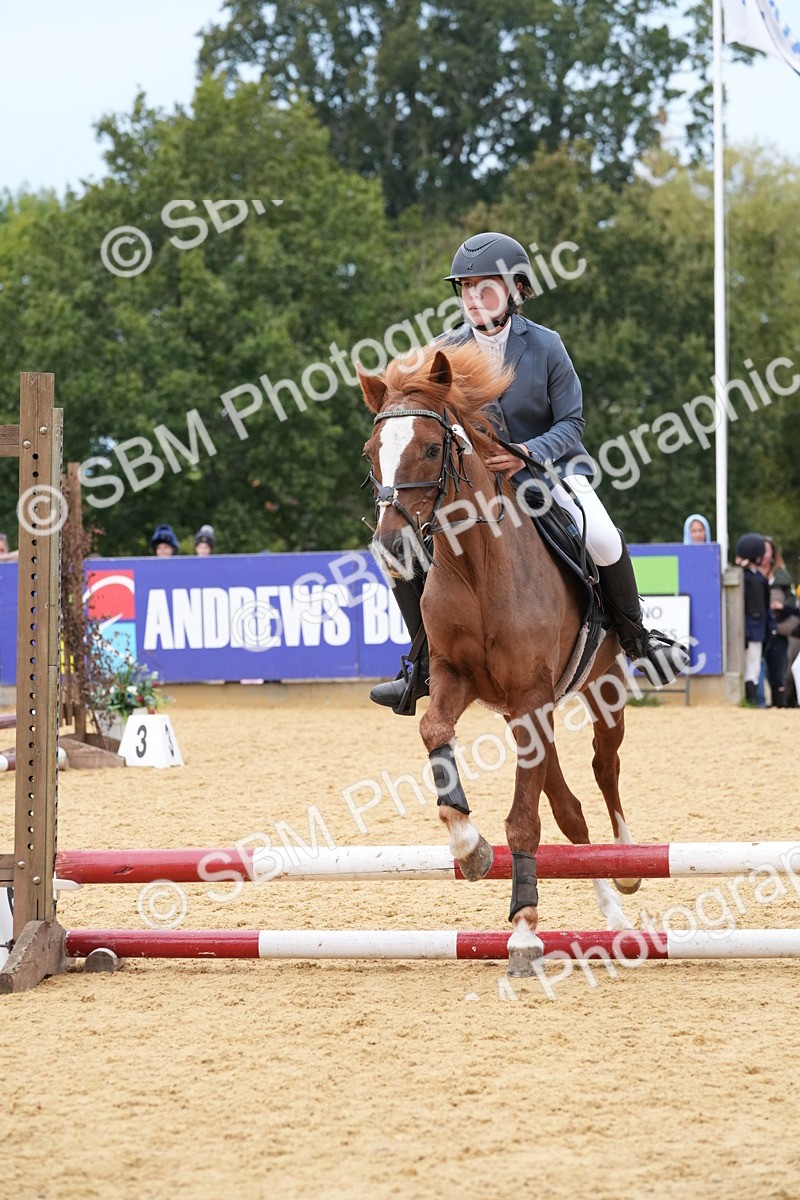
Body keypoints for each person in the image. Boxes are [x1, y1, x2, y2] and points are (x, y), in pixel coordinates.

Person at [370, 231, 689, 715]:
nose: (474, 298)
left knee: (602, 537)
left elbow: (573, 422)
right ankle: (418, 665)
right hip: (472, 483)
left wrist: (526, 452)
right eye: (466, 288)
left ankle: (638, 638)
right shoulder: (442, 351)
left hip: (546, 471)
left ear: (515, 290)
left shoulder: (545, 345)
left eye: (486, 288)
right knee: (400, 551)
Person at [735, 533, 771, 706]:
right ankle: (752, 700)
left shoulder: (747, 577)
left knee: (752, 667)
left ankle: (752, 700)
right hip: (753, 630)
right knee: (752, 668)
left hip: (750, 630)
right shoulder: (755, 579)